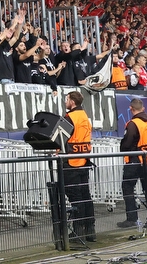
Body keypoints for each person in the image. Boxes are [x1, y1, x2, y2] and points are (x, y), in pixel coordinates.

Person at [117, 98, 147, 229]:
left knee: (128, 188)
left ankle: (132, 218)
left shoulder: (133, 124)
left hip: (135, 160)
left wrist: (123, 149)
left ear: (131, 108)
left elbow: (127, 143)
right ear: (143, 109)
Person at [63, 90, 94, 242]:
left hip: (71, 162)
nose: (65, 101)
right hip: (84, 160)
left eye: (67, 99)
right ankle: (90, 230)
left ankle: (78, 231)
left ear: (72, 102)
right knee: (85, 195)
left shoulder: (70, 117)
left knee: (75, 197)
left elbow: (60, 138)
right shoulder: (85, 117)